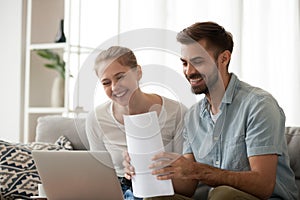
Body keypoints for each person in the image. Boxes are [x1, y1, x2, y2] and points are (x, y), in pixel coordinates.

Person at [124, 22, 299, 200]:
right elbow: (187, 186)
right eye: (184, 63)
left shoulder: (259, 105)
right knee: (156, 198)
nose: (189, 71)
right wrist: (144, 170)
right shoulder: (192, 116)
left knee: (222, 194)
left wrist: (200, 171)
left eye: (198, 61)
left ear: (224, 58)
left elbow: (263, 185)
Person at [85, 46, 187, 200]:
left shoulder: (177, 112)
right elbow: (99, 178)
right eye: (106, 83)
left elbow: (187, 184)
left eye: (120, 77)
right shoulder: (96, 119)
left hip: (161, 193)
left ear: (138, 72)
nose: (114, 87)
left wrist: (148, 168)